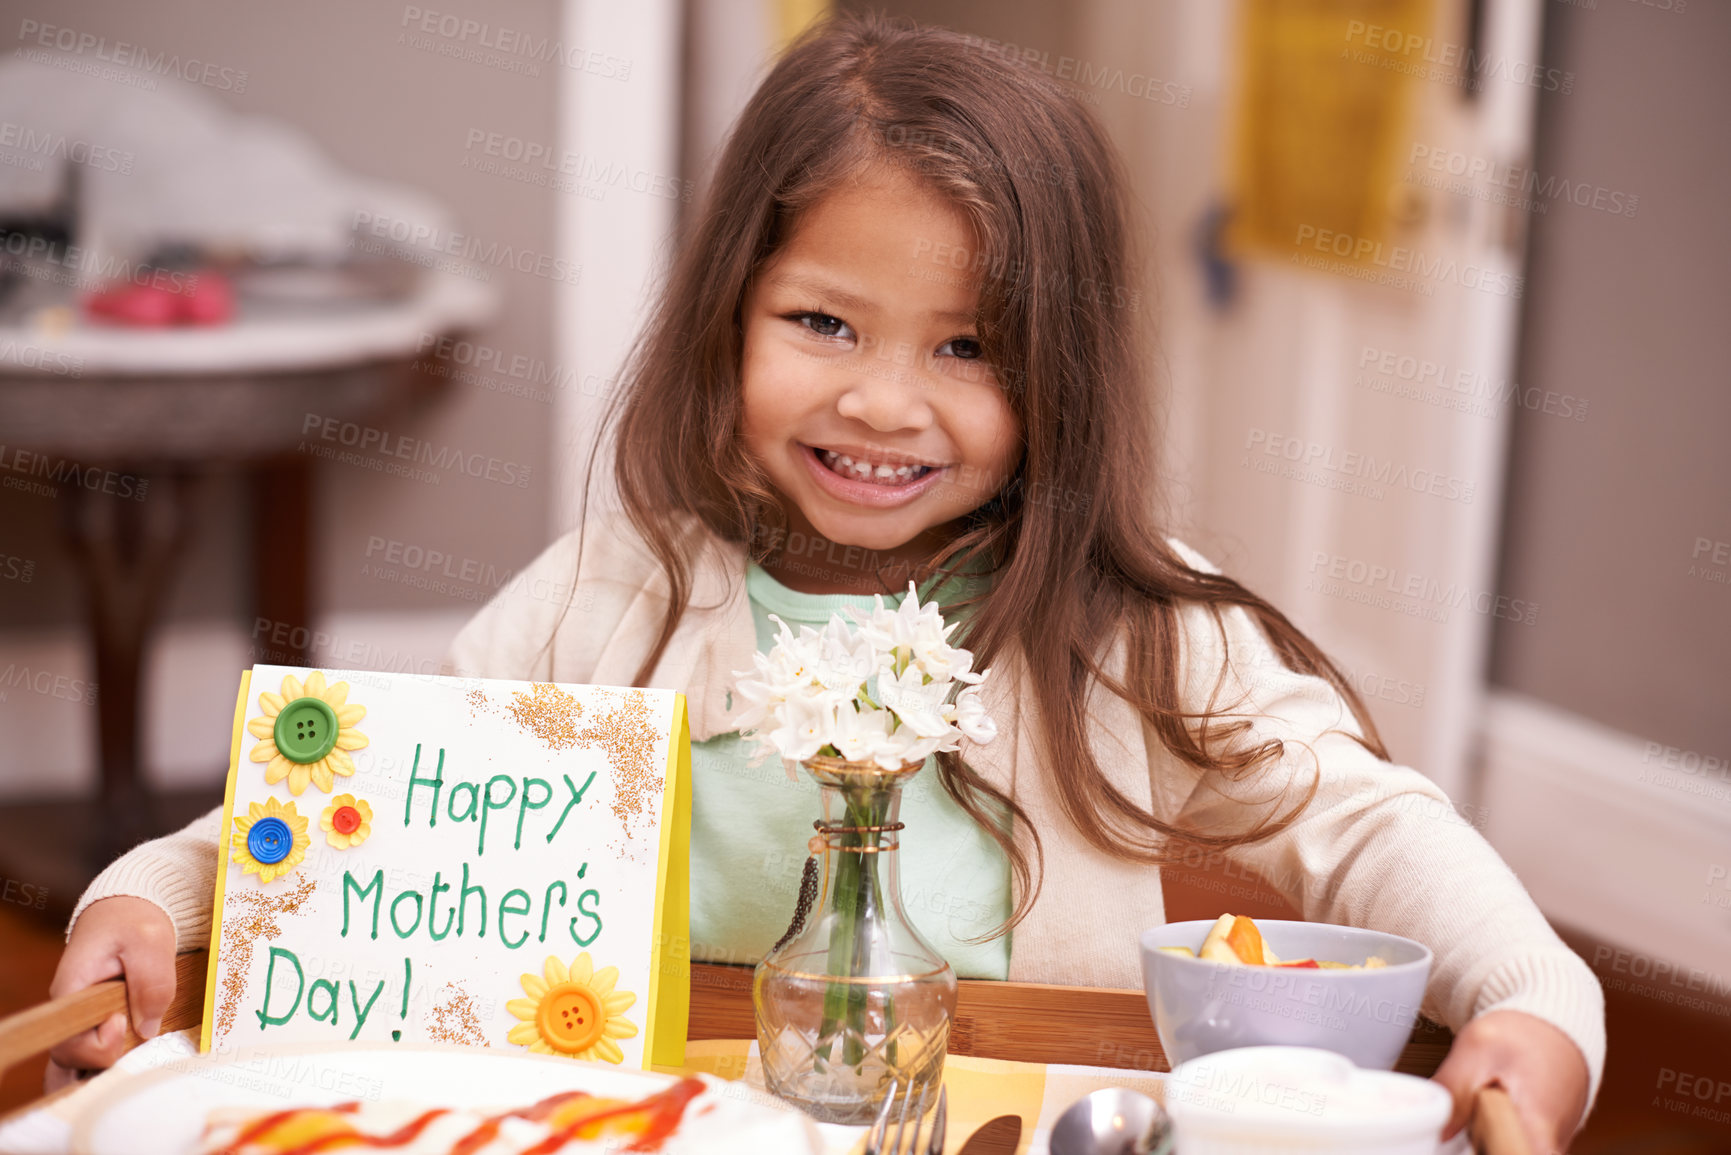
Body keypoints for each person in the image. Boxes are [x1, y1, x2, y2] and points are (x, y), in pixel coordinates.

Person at [49, 12, 1600, 1151]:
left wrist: (1531, 1002)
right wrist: (153, 893)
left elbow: (1367, 825)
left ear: (1061, 375)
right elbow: (361, 807)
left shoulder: (1117, 625)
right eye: (825, 324)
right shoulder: (619, 591)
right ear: (732, 310)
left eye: (970, 347)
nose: (883, 403)